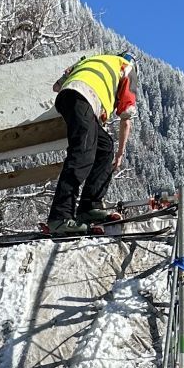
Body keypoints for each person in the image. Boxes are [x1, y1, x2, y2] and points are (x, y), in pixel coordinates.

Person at [44, 52, 139, 237]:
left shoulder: (92, 60)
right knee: (82, 154)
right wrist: (121, 153)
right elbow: (126, 116)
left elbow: (57, 86)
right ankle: (60, 217)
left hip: (68, 97)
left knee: (104, 148)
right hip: (83, 99)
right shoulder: (127, 68)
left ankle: (89, 206)